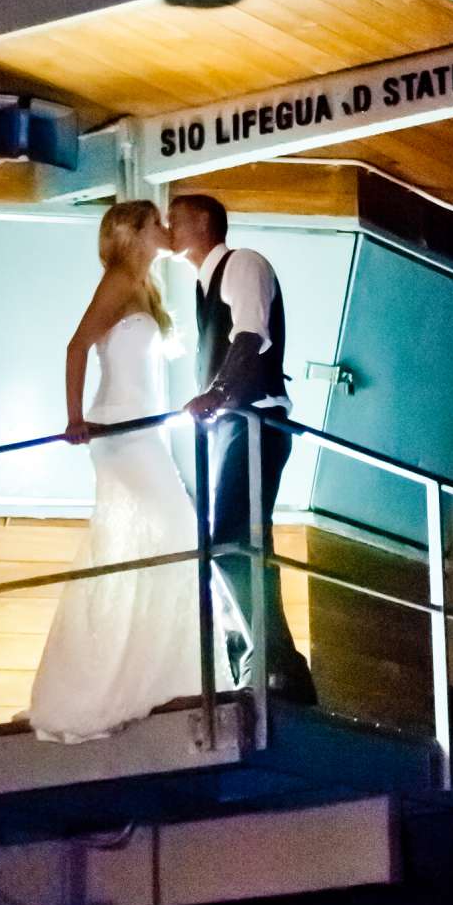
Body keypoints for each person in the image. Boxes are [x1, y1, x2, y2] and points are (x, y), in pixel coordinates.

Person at [27, 200, 231, 740]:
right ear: (136, 232)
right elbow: (77, 346)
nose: (165, 230)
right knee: (172, 532)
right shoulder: (118, 281)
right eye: (156, 224)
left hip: (146, 433)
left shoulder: (147, 286)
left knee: (167, 541)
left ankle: (160, 677)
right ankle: (117, 681)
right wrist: (74, 418)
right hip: (117, 429)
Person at [167, 193, 317, 705]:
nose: (169, 227)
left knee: (231, 536)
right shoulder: (203, 281)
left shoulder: (243, 263)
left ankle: (272, 663)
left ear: (204, 222)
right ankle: (271, 665)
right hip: (235, 424)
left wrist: (218, 393)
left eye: (177, 219)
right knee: (239, 541)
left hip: (255, 419)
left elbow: (251, 334)